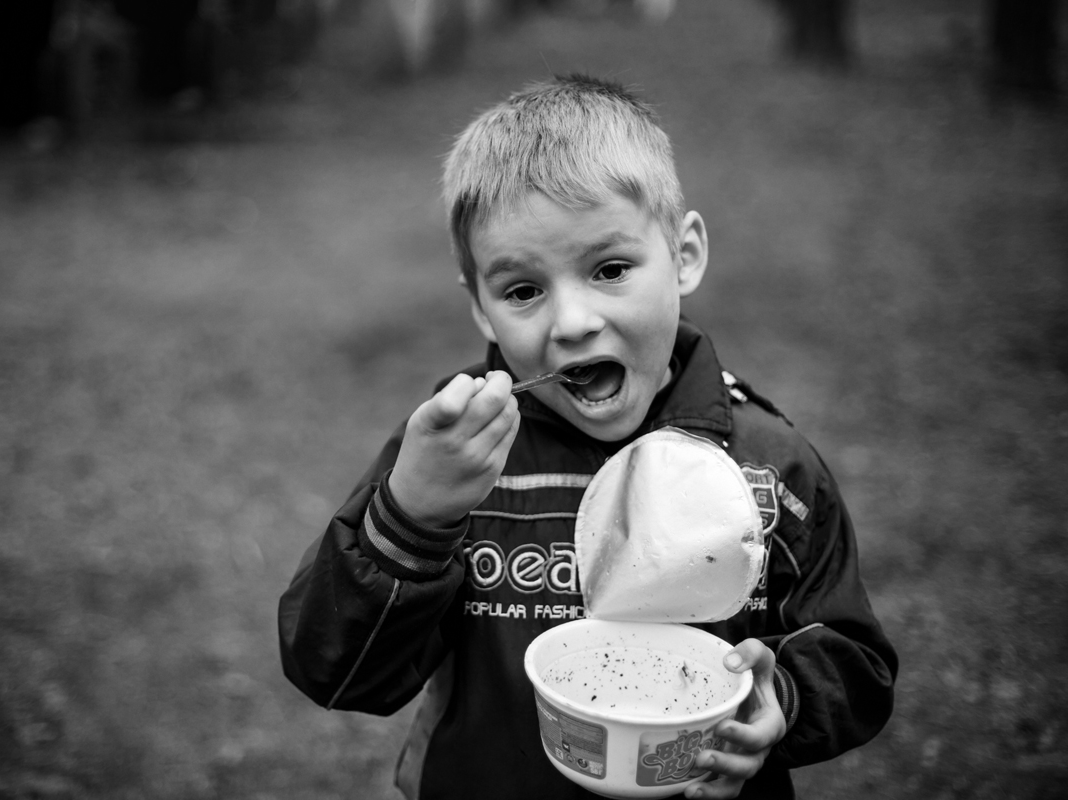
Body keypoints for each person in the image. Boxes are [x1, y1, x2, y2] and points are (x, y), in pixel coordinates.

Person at [278, 74, 897, 800]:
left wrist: (782, 701)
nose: (570, 323)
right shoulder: (453, 463)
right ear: (480, 308)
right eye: (522, 291)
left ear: (685, 254)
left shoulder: (767, 469)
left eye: (609, 270)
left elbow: (856, 664)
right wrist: (412, 518)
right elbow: (337, 669)